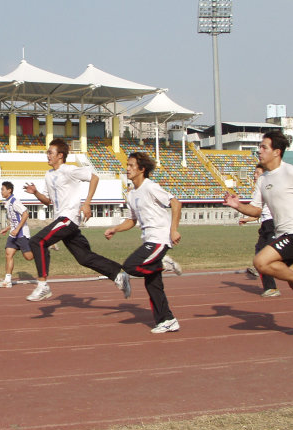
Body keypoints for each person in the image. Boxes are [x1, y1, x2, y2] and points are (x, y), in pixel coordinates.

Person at [223, 130, 293, 339]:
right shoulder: (263, 179)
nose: (259, 151)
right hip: (283, 233)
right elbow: (256, 210)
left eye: (263, 147)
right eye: (259, 147)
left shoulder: (291, 172)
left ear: (276, 152)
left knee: (261, 262)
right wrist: (237, 205)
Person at [24, 138, 131, 302]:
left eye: (50, 152)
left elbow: (94, 178)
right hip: (61, 220)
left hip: (68, 218)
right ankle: (118, 274)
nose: (47, 155)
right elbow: (47, 201)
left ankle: (43, 285)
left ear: (60, 155)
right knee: (84, 257)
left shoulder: (69, 170)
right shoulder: (48, 175)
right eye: (47, 152)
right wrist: (36, 192)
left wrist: (87, 203)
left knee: (37, 242)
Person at [105, 152, 183, 333]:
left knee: (130, 266)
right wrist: (115, 229)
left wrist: (173, 230)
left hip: (160, 238)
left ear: (142, 169)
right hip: (149, 239)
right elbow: (132, 220)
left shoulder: (150, 187)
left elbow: (176, 204)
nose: (127, 169)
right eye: (127, 165)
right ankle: (167, 320)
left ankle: (162, 264)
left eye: (131, 165)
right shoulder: (131, 194)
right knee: (152, 284)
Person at [239, 164, 280, 297]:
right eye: (254, 173)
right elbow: (257, 212)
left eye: (257, 173)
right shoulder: (259, 190)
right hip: (265, 225)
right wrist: (247, 219)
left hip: (275, 224)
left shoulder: (272, 187)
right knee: (259, 252)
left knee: (268, 254)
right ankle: (271, 288)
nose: (254, 176)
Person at [0, 181, 34, 288]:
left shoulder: (14, 201)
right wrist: (7, 229)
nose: (1, 192)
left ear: (9, 190)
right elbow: (14, 219)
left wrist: (17, 229)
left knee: (29, 257)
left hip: (21, 234)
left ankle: (43, 248)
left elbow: (25, 214)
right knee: (8, 254)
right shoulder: (7, 203)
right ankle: (7, 281)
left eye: (2, 189)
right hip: (13, 235)